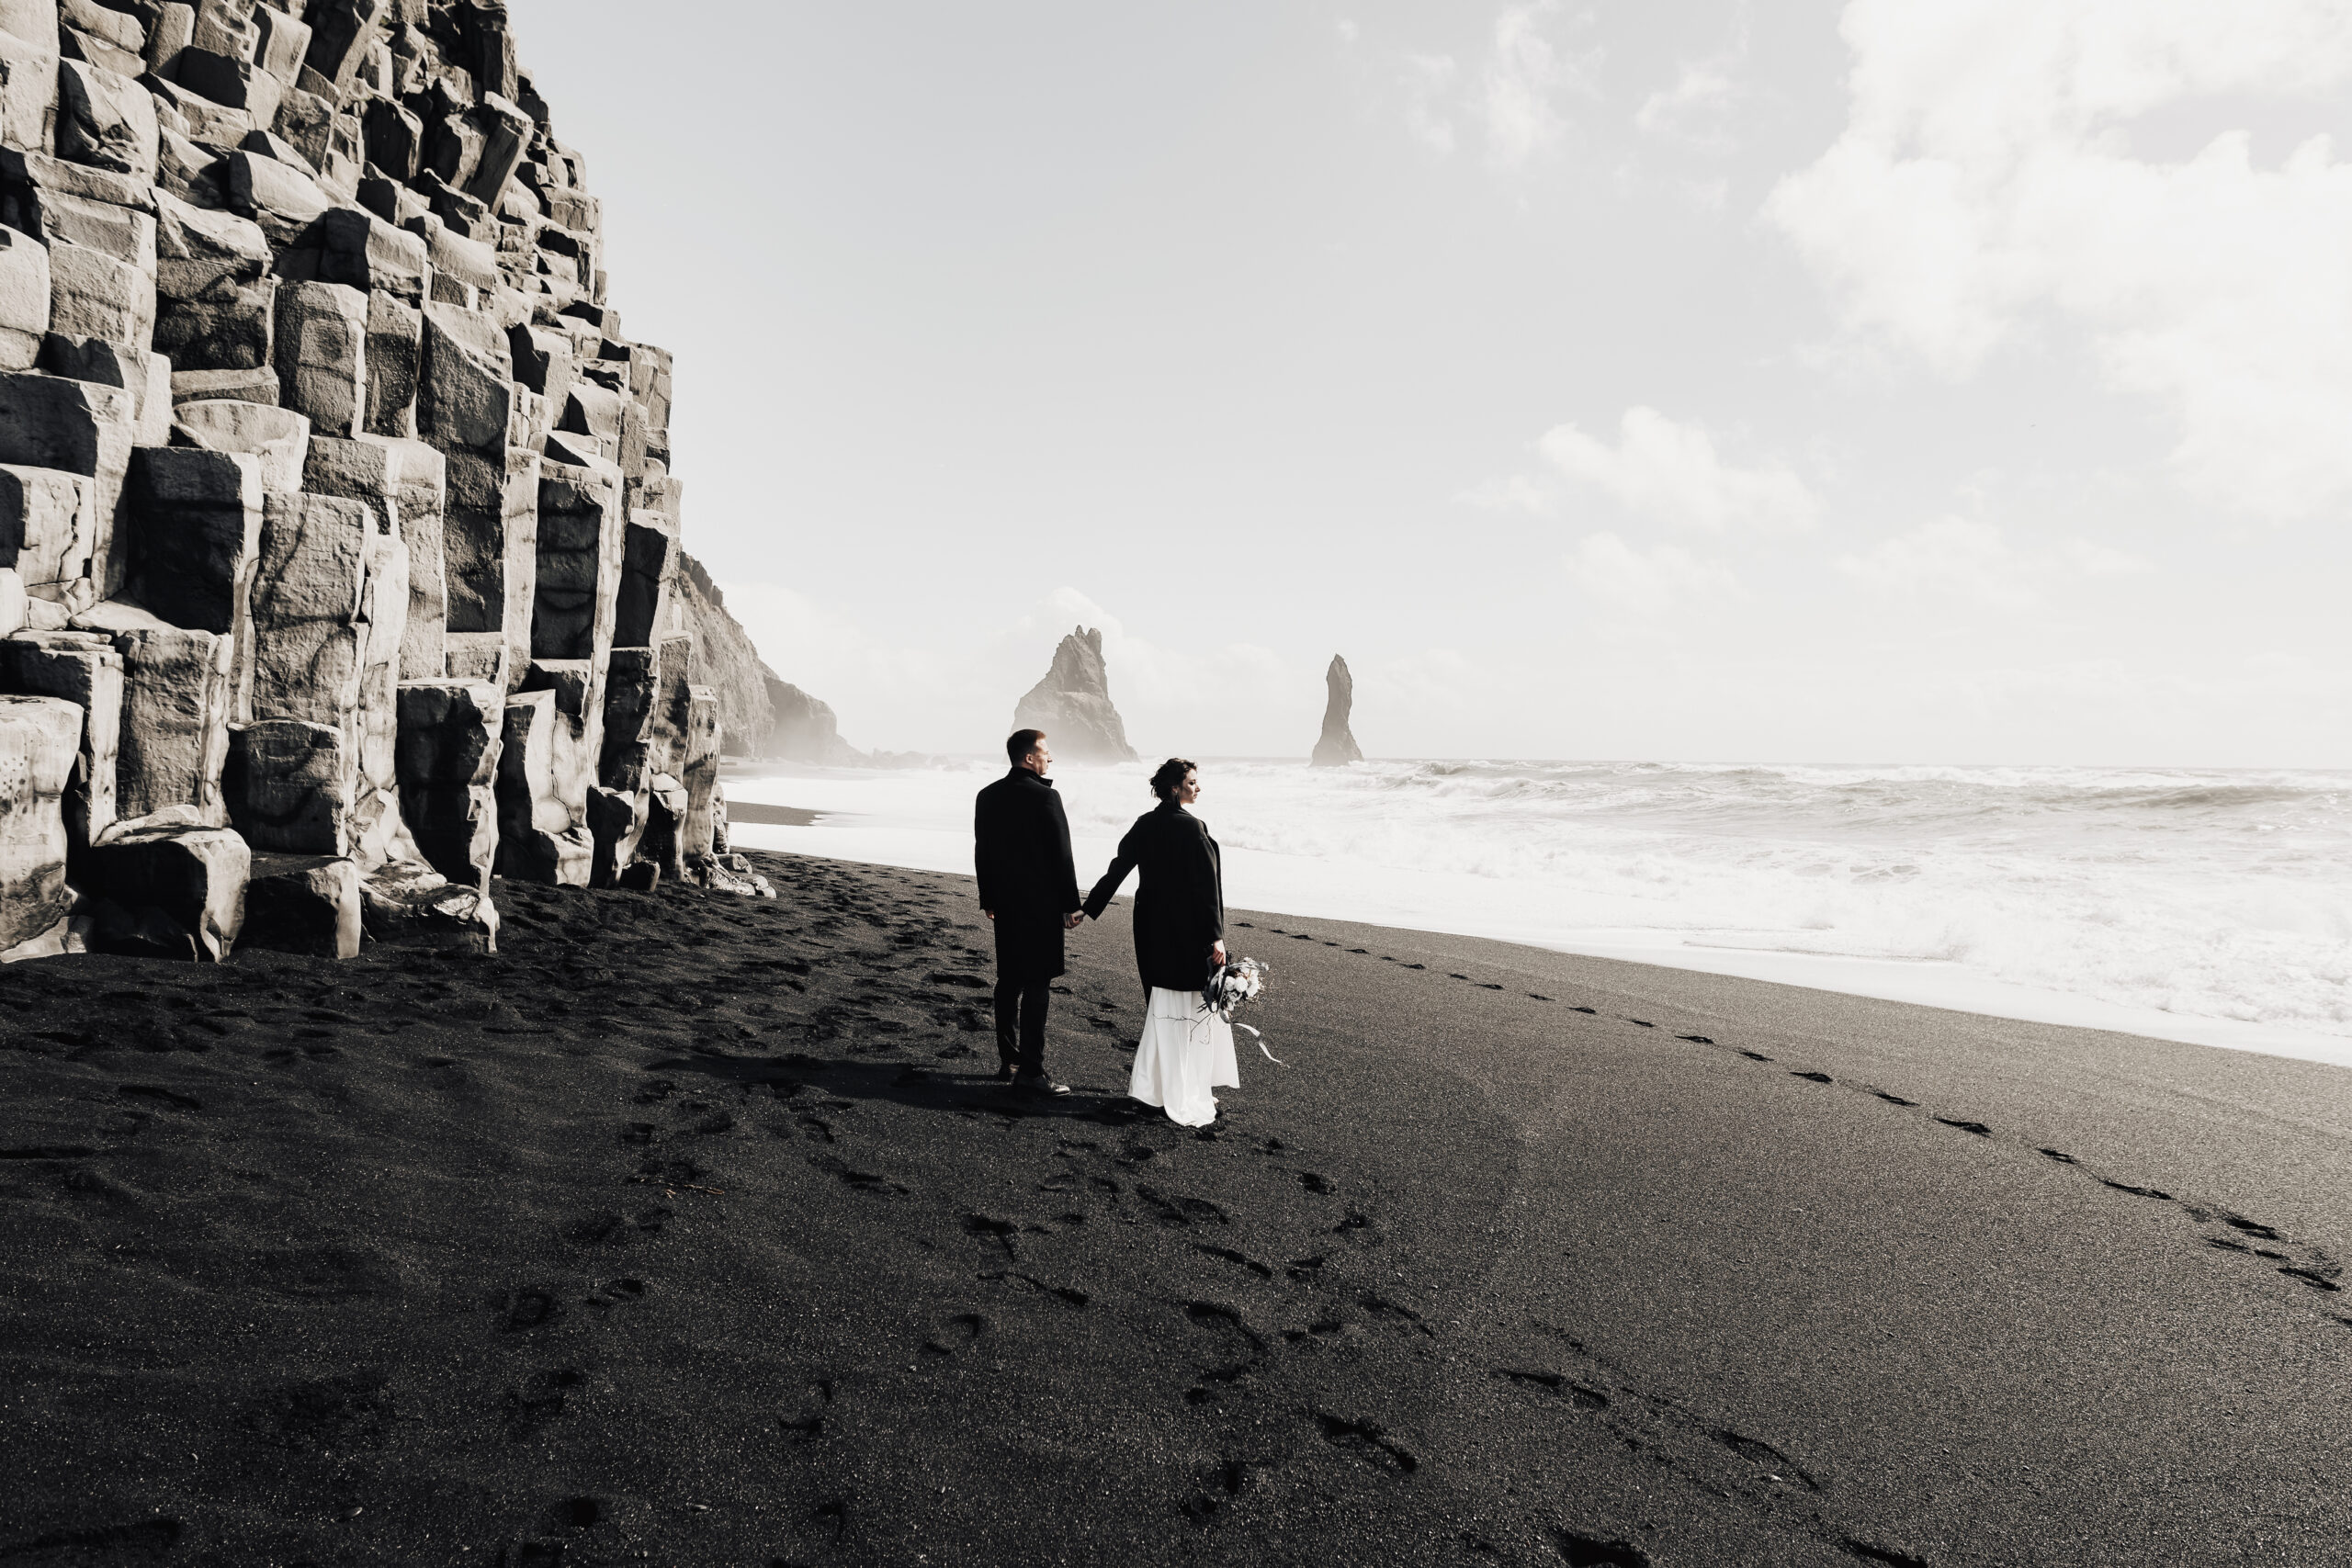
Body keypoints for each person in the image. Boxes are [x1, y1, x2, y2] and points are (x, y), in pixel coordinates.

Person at [1081, 758, 1238, 1127]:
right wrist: (1216, 935)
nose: (1198, 788)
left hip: (1150, 927)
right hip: (1186, 930)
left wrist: (1087, 909)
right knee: (1187, 1004)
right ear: (1175, 788)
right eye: (1193, 782)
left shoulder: (1144, 825)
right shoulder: (1193, 827)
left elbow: (1117, 868)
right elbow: (1207, 887)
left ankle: (1158, 1087)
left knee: (1159, 1002)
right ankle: (1180, 1085)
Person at [974, 729, 1085, 1095]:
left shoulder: (987, 796)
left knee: (1008, 981)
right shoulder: (1046, 797)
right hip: (1041, 905)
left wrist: (988, 898)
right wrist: (1071, 904)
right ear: (1028, 758)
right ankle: (1033, 1072)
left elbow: (983, 852)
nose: (1049, 759)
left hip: (1005, 904)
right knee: (1037, 983)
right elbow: (1062, 855)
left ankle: (1010, 1061)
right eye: (1045, 753)